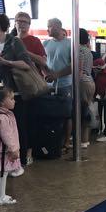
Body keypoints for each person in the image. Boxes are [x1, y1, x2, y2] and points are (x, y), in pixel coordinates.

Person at [0, 12, 33, 172]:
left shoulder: (14, 42)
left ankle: (20, 163)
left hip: (16, 94)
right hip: (1, 94)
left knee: (18, 127)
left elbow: (27, 64)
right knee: (5, 130)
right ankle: (9, 163)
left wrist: (7, 62)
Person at [0, 86, 21, 206]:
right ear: (2, 102)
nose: (14, 101)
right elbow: (7, 135)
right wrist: (13, 149)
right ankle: (1, 196)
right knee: (3, 174)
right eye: (11, 99)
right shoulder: (4, 117)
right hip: (5, 152)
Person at [44, 18, 73, 150]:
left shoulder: (70, 44)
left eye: (49, 26)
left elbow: (74, 65)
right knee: (51, 113)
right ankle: (53, 139)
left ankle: (67, 141)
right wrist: (46, 74)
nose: (47, 29)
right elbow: (42, 63)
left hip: (65, 84)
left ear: (57, 27)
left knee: (67, 114)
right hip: (49, 85)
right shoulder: (45, 44)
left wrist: (57, 75)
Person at [79, 28, 96, 149]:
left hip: (82, 83)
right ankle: (85, 140)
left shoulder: (79, 50)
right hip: (90, 82)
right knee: (87, 110)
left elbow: (79, 70)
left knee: (82, 112)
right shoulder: (88, 51)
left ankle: (83, 140)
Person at [92, 57, 106, 142]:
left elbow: (101, 90)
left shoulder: (102, 77)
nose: (93, 70)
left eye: (94, 68)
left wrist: (95, 97)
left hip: (105, 100)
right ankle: (104, 132)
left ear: (98, 68)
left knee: (105, 116)